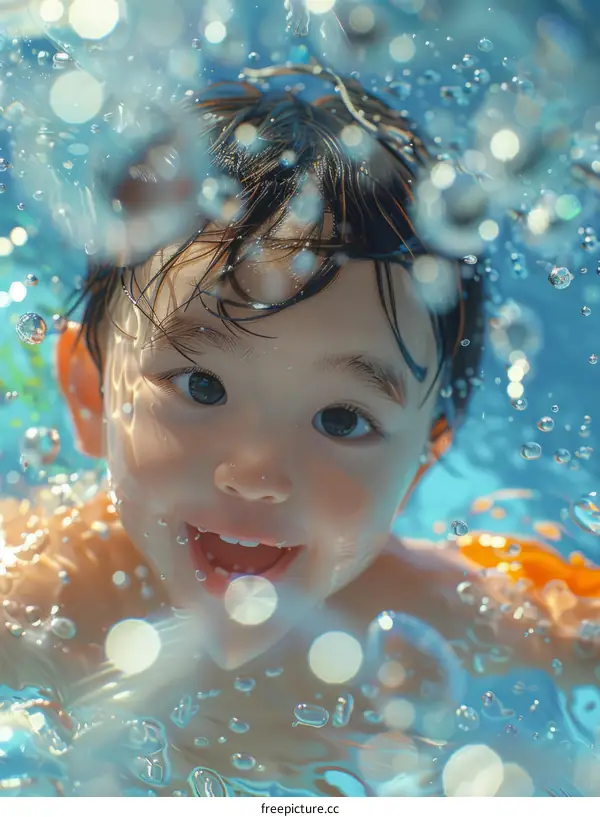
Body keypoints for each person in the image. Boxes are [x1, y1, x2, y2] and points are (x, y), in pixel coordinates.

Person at [1, 66, 599, 796]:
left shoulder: (439, 612)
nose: (256, 471)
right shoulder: (36, 596)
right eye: (202, 385)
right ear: (92, 395)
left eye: (343, 419)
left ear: (419, 464)